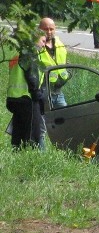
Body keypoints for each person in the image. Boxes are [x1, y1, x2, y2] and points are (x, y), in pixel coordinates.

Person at [6, 35, 46, 149]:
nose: (44, 45)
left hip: (14, 98)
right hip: (27, 98)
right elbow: (31, 76)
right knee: (31, 135)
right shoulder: (30, 55)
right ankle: (30, 156)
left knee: (18, 132)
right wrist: (37, 95)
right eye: (42, 41)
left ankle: (16, 151)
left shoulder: (17, 55)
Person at [36, 17, 70, 150]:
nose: (49, 32)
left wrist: (67, 75)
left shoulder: (60, 44)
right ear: (40, 30)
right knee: (42, 125)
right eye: (45, 29)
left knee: (66, 120)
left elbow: (64, 63)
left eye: (51, 29)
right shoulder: (37, 46)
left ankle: (67, 149)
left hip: (58, 91)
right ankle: (41, 152)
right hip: (43, 91)